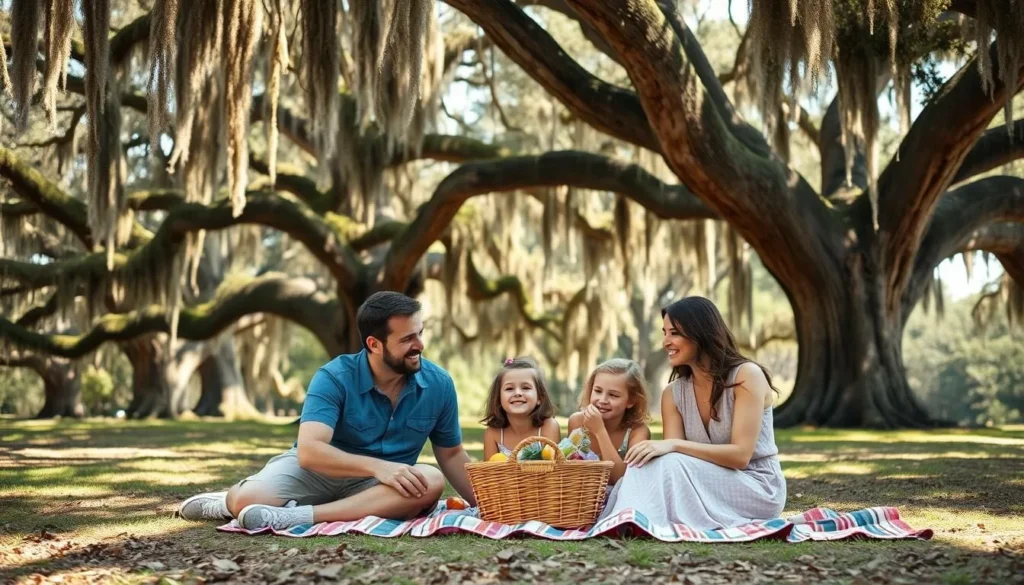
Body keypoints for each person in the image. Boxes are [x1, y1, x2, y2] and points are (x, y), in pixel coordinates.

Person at [176, 291, 476, 530]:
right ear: (374, 344)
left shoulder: (439, 384)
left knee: (431, 481)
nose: (420, 345)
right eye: (408, 339)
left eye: (420, 333)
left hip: (380, 486)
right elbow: (310, 452)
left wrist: (489, 504)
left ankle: (296, 517)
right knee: (249, 500)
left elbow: (450, 454)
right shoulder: (334, 376)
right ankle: (228, 503)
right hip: (320, 470)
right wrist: (377, 466)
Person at [600, 296, 786, 529]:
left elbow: (740, 456)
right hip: (705, 484)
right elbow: (671, 463)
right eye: (664, 332)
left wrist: (674, 445)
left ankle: (630, 521)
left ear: (701, 334)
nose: (666, 342)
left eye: (674, 333)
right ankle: (628, 519)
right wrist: (666, 450)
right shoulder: (674, 394)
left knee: (670, 459)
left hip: (757, 488)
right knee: (650, 462)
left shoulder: (746, 376)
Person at [567, 359, 651, 484]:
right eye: (598, 391)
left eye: (613, 395)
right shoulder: (577, 422)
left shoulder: (637, 432)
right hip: (583, 498)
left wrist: (600, 431)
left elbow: (620, 480)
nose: (602, 400)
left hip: (621, 498)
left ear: (631, 401)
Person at [480, 357, 560, 460]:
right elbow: (488, 473)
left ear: (540, 397)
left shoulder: (548, 427)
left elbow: (555, 470)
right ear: (498, 398)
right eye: (509, 388)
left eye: (526, 388)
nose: (517, 393)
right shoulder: (493, 433)